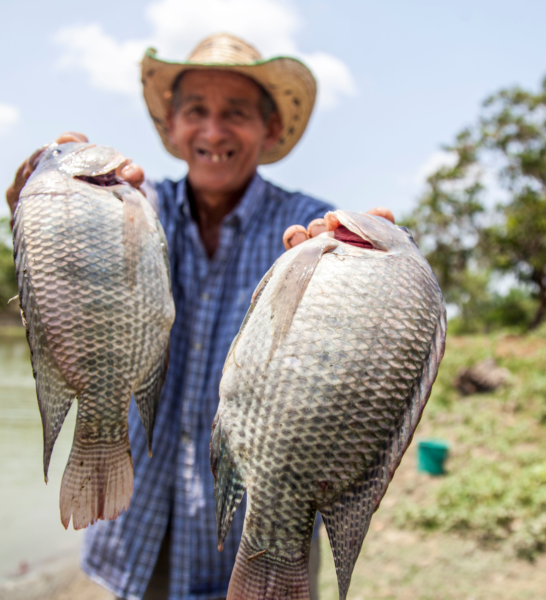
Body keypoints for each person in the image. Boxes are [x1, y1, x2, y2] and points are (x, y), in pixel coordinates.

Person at [6, 33, 393, 600]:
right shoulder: (134, 206)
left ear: (271, 130)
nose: (213, 131)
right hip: (134, 528)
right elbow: (64, 286)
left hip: (254, 539)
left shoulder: (313, 234)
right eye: (196, 112)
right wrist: (39, 204)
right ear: (169, 128)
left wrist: (367, 285)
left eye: (235, 113)